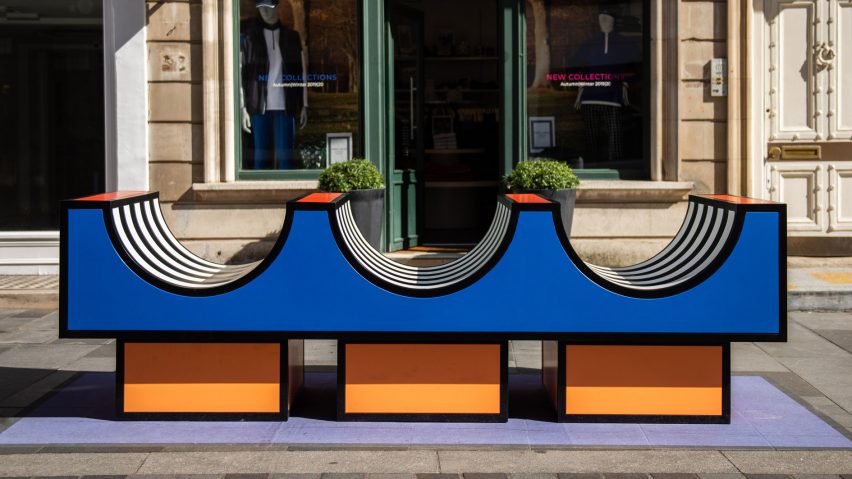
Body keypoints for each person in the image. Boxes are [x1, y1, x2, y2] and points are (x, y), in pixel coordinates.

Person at [240, 0, 309, 170]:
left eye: (268, 7)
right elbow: (241, 75)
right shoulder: (249, 39)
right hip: (258, 108)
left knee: (286, 160)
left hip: (286, 107)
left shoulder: (291, 38)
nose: (265, 11)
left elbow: (301, 73)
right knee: (260, 160)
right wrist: (242, 107)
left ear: (277, 7)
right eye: (261, 8)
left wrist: (304, 104)